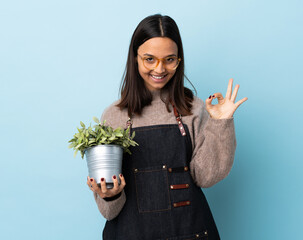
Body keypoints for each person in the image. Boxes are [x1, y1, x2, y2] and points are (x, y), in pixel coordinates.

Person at [86, 14, 247, 240]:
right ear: (135, 58)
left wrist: (220, 123)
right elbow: (109, 211)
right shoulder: (114, 116)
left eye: (169, 59)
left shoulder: (194, 109)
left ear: (179, 60)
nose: (159, 69)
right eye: (149, 59)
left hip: (191, 232)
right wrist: (110, 195)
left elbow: (206, 178)